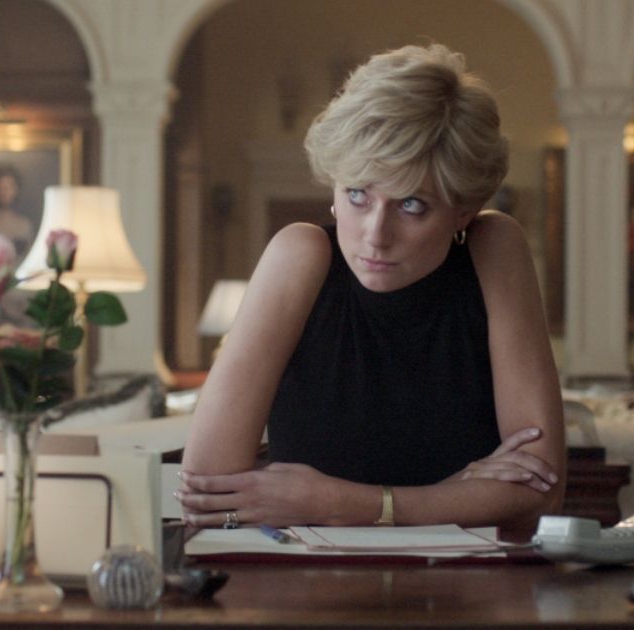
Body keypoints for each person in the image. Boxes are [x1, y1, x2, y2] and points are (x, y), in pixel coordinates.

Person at [178, 44, 564, 531]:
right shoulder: (299, 257)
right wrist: (454, 496)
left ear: (462, 208)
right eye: (358, 195)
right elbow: (205, 491)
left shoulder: (494, 250)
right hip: (305, 590)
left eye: (411, 205)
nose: (374, 235)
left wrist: (336, 503)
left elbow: (541, 492)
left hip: (462, 588)